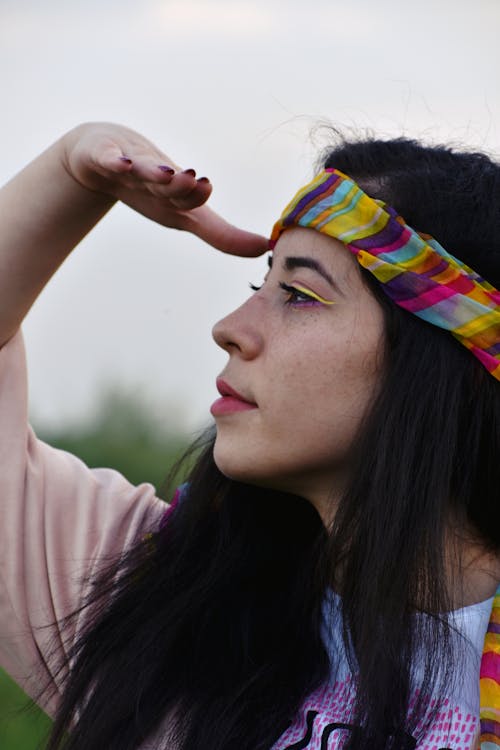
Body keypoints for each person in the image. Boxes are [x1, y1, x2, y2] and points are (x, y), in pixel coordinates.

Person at [0, 122, 498, 750]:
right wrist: (72, 174)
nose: (230, 328)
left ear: (444, 359)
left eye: (299, 294)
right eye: (258, 284)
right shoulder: (170, 609)